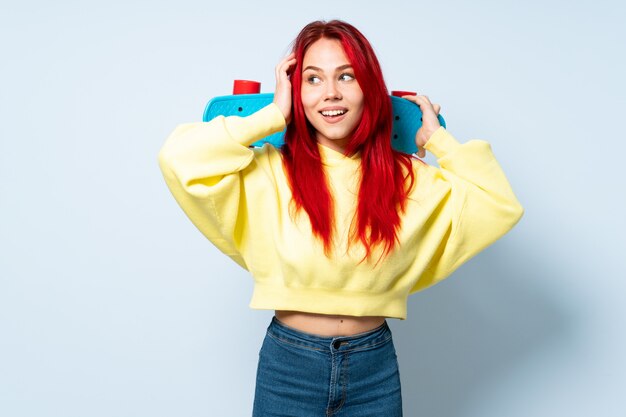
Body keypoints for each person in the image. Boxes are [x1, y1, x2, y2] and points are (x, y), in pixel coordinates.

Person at [158, 19, 523, 417]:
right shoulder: (267, 170)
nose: (330, 93)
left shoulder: (407, 177)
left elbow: (498, 203)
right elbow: (179, 159)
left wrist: (438, 141)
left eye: (345, 76)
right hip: (289, 367)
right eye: (313, 79)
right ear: (296, 92)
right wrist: (273, 115)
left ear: (368, 86)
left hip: (374, 368)